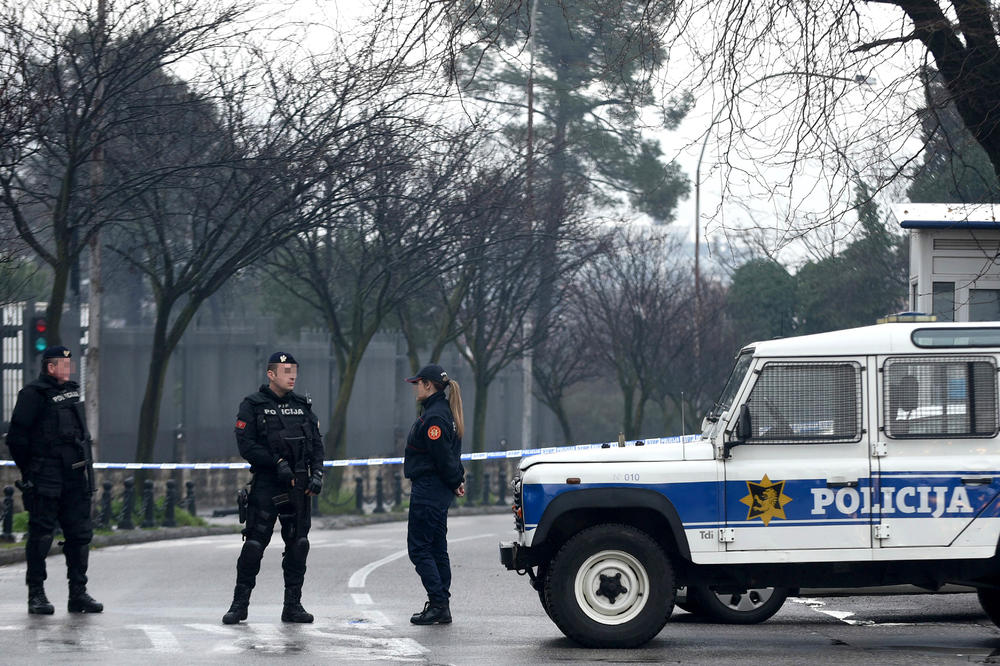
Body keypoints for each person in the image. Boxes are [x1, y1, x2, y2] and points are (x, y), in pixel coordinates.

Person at [221, 352, 324, 625]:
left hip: (299, 485)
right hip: (268, 483)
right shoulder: (253, 405)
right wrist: (276, 462)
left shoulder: (302, 406)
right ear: (271, 374)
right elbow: (246, 444)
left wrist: (318, 473)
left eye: (294, 371)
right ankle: (239, 605)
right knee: (254, 545)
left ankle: (293, 606)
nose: (292, 375)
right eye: (286, 370)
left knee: (299, 544)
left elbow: (315, 443)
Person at [6, 346, 102, 615]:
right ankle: (36, 594)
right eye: (64, 364)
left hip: (73, 475)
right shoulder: (33, 395)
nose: (69, 368)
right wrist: (31, 470)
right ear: (50, 367)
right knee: (41, 535)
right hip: (45, 476)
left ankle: (78, 594)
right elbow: (16, 438)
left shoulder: (71, 394)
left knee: (80, 535)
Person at [403, 363, 466, 625]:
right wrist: (456, 480)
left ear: (428, 385)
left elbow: (442, 456)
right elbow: (451, 455)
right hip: (438, 489)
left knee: (419, 548)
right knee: (437, 548)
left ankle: (438, 603)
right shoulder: (442, 412)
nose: (416, 387)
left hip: (429, 489)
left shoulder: (435, 417)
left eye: (418, 383)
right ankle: (442, 605)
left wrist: (455, 479)